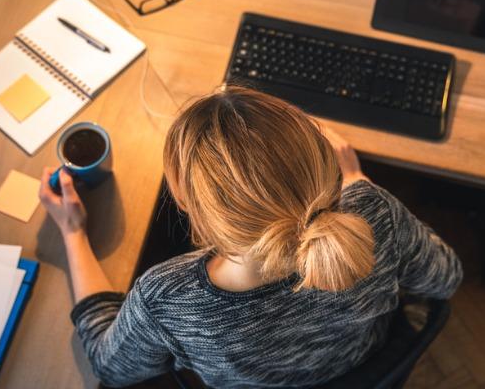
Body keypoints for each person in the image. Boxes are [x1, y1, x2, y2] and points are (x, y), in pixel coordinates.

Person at [40, 86, 462, 388]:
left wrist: (74, 233)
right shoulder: (374, 212)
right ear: (323, 163)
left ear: (185, 202)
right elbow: (445, 278)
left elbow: (111, 367)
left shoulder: (167, 299)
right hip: (363, 365)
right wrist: (358, 181)